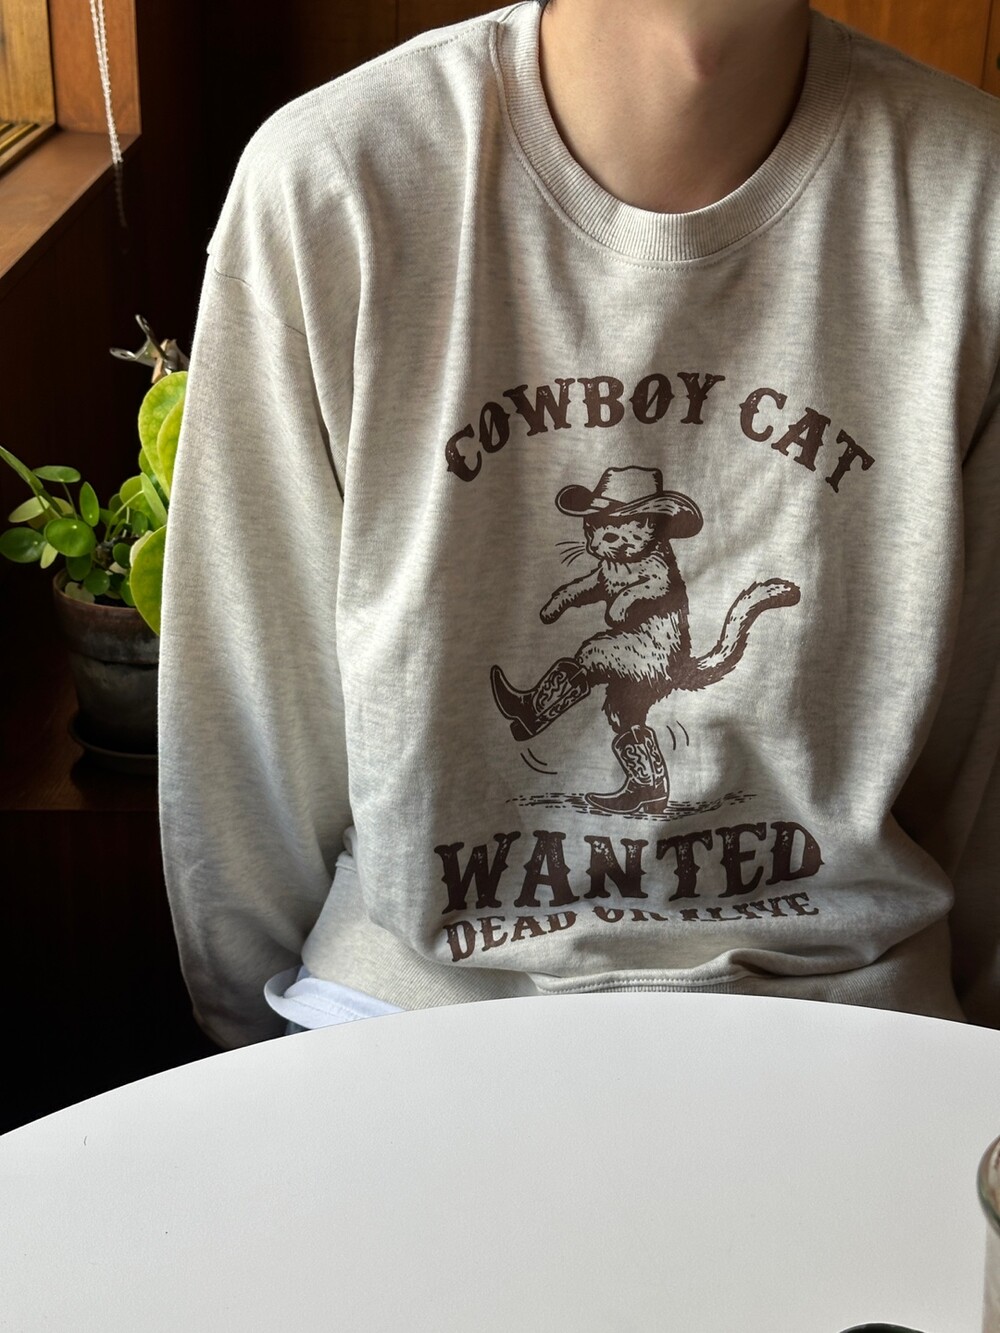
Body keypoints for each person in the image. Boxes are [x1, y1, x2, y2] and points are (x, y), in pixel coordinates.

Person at [158, 0, 1000, 1050]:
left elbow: (983, 774)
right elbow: (248, 720)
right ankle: (584, 740)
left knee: (607, 664)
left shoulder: (975, 206)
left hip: (853, 1027)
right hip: (404, 1015)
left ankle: (550, 716)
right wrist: (252, 1074)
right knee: (616, 691)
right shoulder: (333, 182)